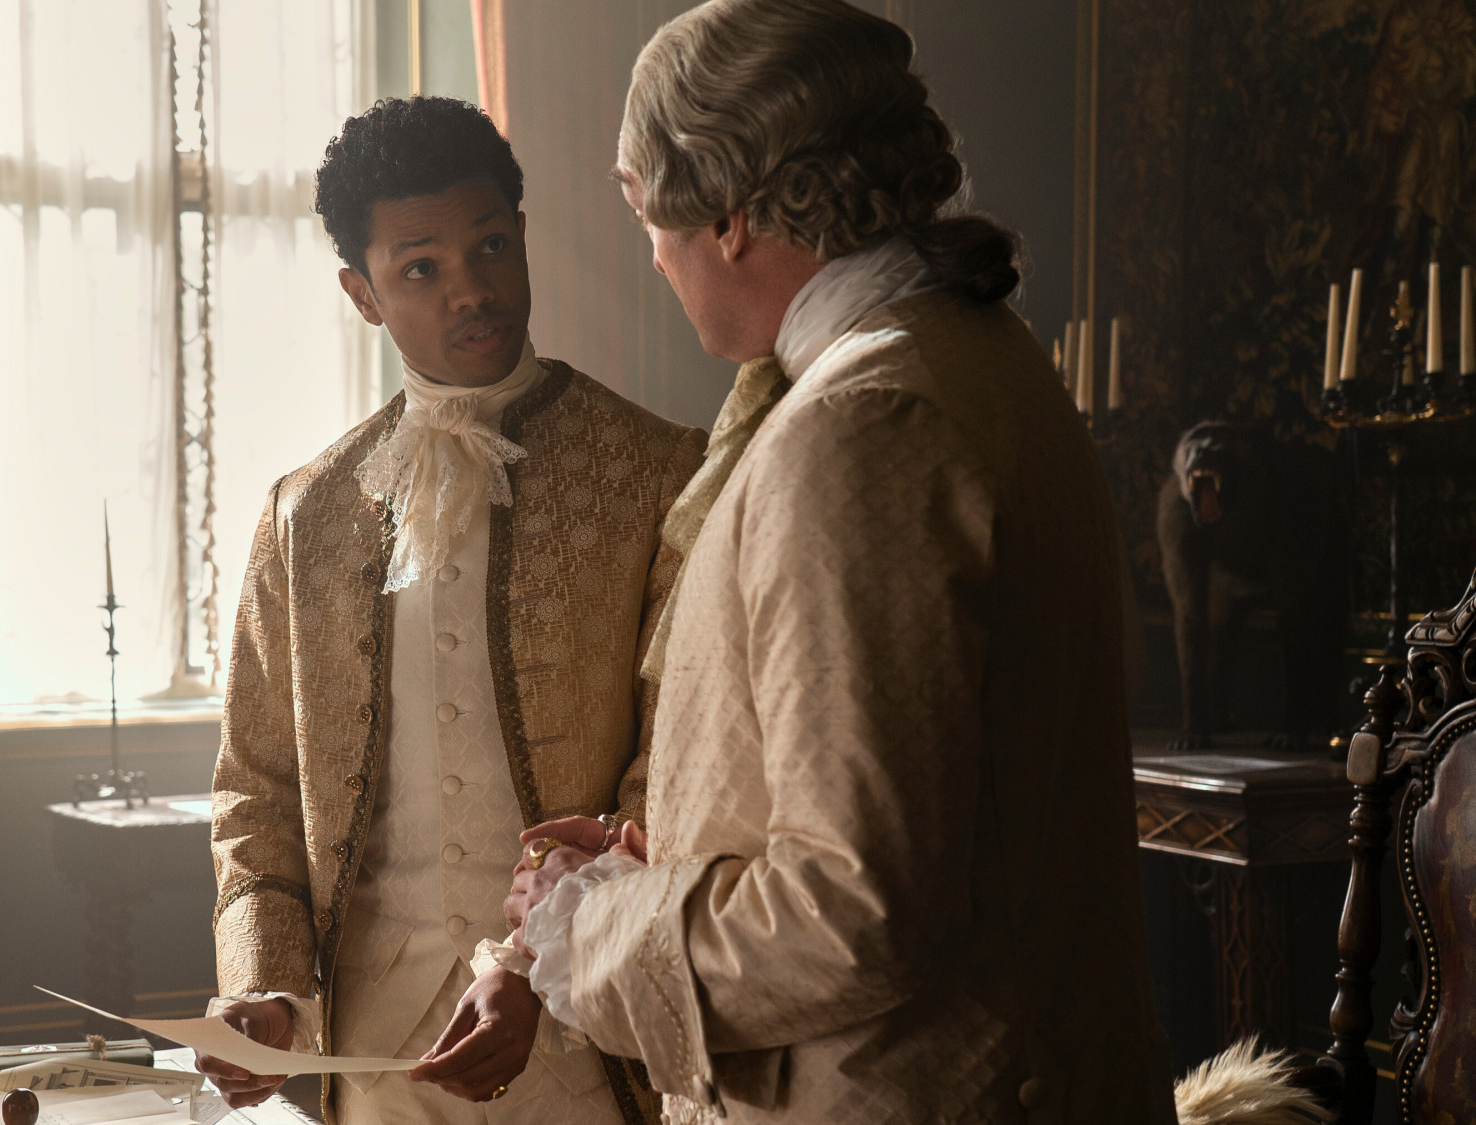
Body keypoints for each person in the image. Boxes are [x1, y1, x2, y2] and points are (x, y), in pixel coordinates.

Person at [501, 2, 1179, 1122]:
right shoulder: (978, 358)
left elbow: (855, 909)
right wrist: (664, 856)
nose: (654, 259)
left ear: (724, 213)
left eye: (642, 211)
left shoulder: (859, 426)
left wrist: (591, 926)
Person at [201, 96, 703, 1125]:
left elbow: (679, 766)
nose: (471, 290)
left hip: (584, 1028)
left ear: (521, 238)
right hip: (372, 1056)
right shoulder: (306, 512)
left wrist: (534, 962)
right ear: (362, 293)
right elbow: (255, 790)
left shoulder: (656, 474)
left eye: (489, 247)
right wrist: (264, 989)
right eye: (420, 267)